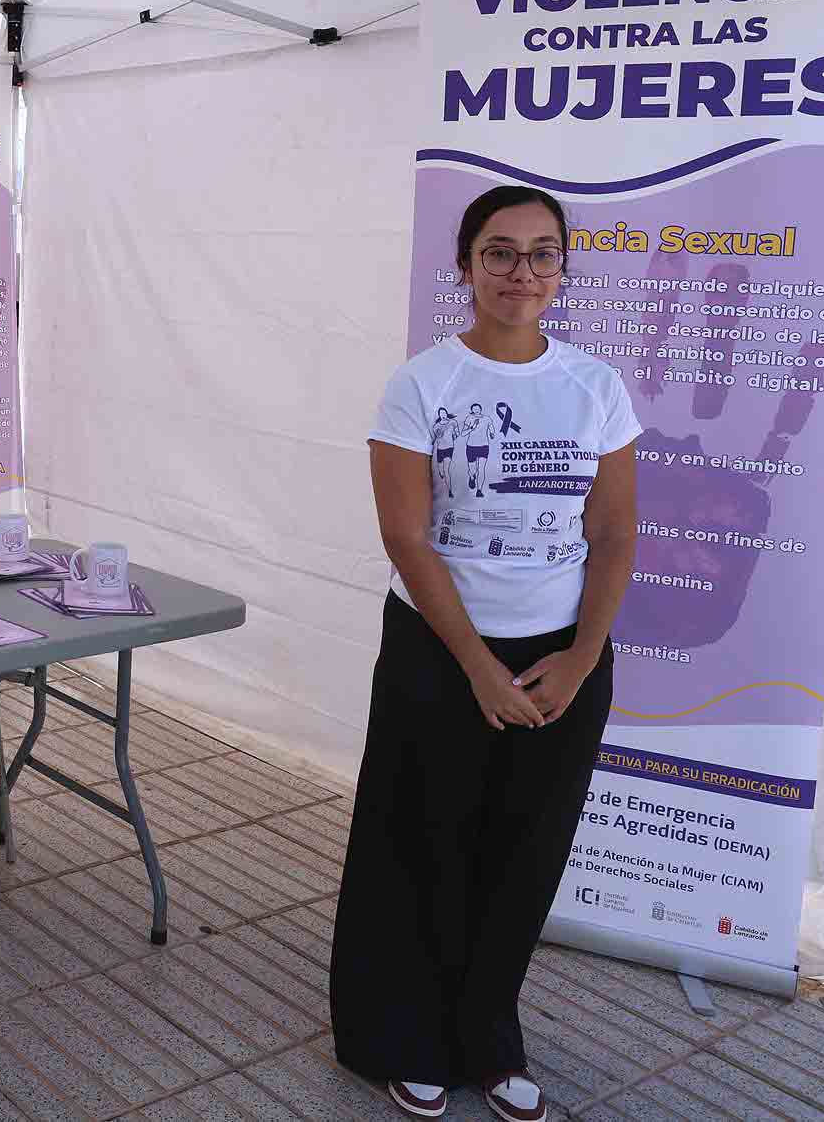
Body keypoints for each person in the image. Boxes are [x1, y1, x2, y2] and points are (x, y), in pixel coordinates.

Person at [330, 185, 640, 1121]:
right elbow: (407, 536)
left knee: (524, 849)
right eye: (500, 252)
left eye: (543, 253)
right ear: (464, 266)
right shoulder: (422, 382)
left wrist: (583, 657)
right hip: (438, 646)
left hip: (560, 656)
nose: (522, 271)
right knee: (421, 840)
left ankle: (490, 1038)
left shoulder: (595, 385)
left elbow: (617, 531)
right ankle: (405, 1036)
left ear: (563, 269)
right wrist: (473, 664)